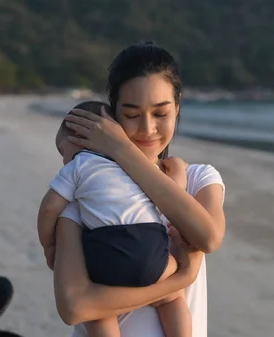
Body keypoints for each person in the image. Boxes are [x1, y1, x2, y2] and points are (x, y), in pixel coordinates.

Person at [50, 41, 226, 337]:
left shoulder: (198, 180)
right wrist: (178, 281)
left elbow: (208, 237)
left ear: (177, 110)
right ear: (111, 117)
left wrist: (122, 150)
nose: (147, 128)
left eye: (160, 113)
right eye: (131, 114)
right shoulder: (88, 196)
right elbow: (74, 306)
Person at [38, 101, 191, 337]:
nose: (62, 160)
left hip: (105, 260)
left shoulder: (78, 165)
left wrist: (48, 243)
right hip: (149, 252)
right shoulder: (135, 167)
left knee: (99, 313)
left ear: (80, 140)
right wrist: (179, 168)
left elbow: (49, 209)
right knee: (172, 299)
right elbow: (172, 191)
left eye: (62, 151)